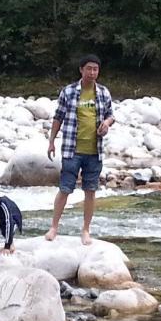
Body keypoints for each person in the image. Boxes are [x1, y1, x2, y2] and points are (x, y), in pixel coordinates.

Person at [46, 54, 114, 243]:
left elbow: (111, 115)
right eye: (89, 69)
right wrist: (51, 141)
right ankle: (53, 227)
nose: (92, 72)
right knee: (65, 188)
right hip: (71, 149)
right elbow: (58, 117)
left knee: (90, 191)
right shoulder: (68, 92)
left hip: (95, 150)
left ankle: (85, 230)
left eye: (96, 69)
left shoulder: (103, 92)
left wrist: (107, 123)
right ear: (81, 70)